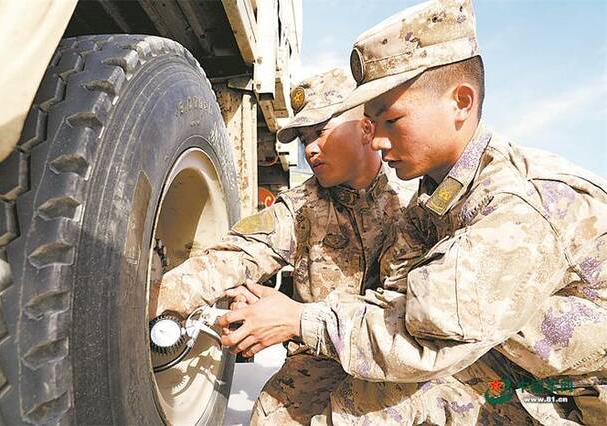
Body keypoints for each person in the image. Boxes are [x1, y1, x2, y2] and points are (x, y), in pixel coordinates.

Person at [218, 0, 607, 424]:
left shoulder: (521, 207)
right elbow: (395, 295)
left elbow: (423, 337)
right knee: (291, 403)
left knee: (372, 407)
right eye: (370, 125)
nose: (378, 141)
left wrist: (298, 319)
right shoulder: (436, 197)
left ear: (460, 102)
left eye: (391, 121)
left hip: (569, 397)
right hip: (512, 368)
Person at [151, 68, 416, 422]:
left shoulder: (413, 204)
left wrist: (288, 316)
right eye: (304, 138)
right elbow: (238, 253)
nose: (310, 149)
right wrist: (155, 297)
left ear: (366, 128)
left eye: (320, 132)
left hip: (397, 360)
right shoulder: (302, 206)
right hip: (320, 357)